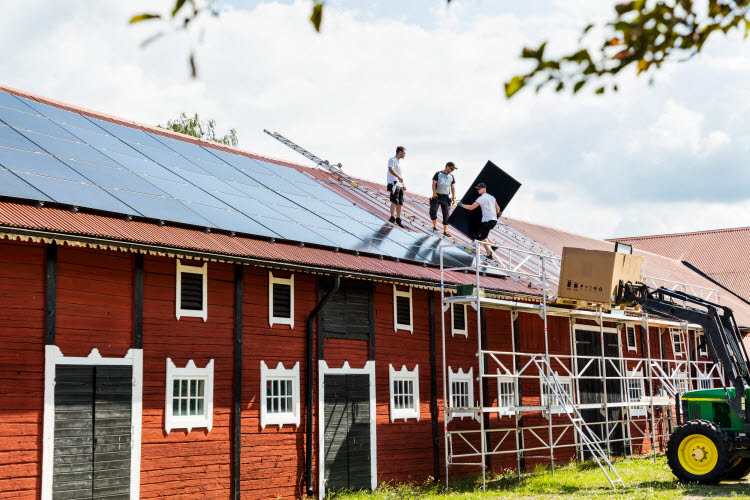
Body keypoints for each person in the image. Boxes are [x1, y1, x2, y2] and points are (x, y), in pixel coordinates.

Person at [458, 183, 502, 259]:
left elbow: (472, 207)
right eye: (477, 189)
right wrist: (496, 213)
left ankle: (489, 255)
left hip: (487, 220)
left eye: (479, 188)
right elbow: (498, 209)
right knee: (479, 234)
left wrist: (462, 205)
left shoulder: (481, 198)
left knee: (483, 237)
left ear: (484, 188)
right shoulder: (492, 197)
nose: (477, 190)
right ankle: (493, 245)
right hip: (493, 219)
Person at [430, 161, 457, 236]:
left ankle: (445, 231)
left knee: (446, 214)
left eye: (453, 169)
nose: (452, 171)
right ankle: (435, 226)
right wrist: (434, 192)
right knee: (433, 211)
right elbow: (434, 184)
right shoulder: (438, 174)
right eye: (452, 169)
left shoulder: (451, 176)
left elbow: (453, 187)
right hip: (437, 195)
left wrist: (453, 196)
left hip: (446, 197)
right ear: (447, 167)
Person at [386, 146, 406, 228]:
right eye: (404, 153)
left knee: (400, 202)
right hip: (393, 183)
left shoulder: (400, 162)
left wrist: (403, 184)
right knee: (394, 200)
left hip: (399, 185)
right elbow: (391, 169)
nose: (405, 155)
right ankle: (392, 217)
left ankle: (398, 219)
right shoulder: (392, 160)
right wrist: (398, 177)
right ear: (400, 152)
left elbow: (400, 174)